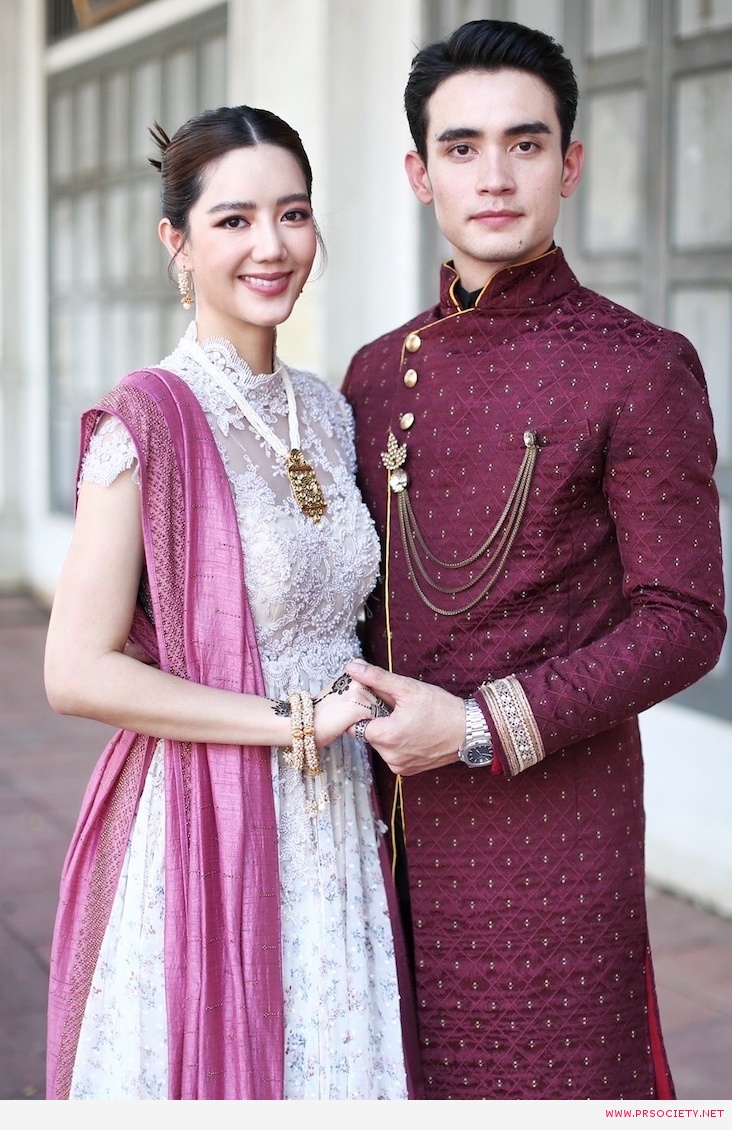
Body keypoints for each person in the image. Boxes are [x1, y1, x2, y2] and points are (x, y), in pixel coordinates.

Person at [341, 19, 726, 1101]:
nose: (496, 176)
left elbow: (685, 619)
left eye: (525, 142)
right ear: (420, 174)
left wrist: (474, 726)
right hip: (377, 828)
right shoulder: (372, 374)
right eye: (461, 147)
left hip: (553, 825)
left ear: (571, 162)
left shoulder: (640, 365)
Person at [43, 105, 422, 1101]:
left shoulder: (330, 410)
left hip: (336, 817)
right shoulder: (148, 422)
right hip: (206, 811)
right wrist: (293, 721)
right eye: (234, 220)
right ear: (176, 241)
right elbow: (75, 672)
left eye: (292, 214)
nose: (271, 246)